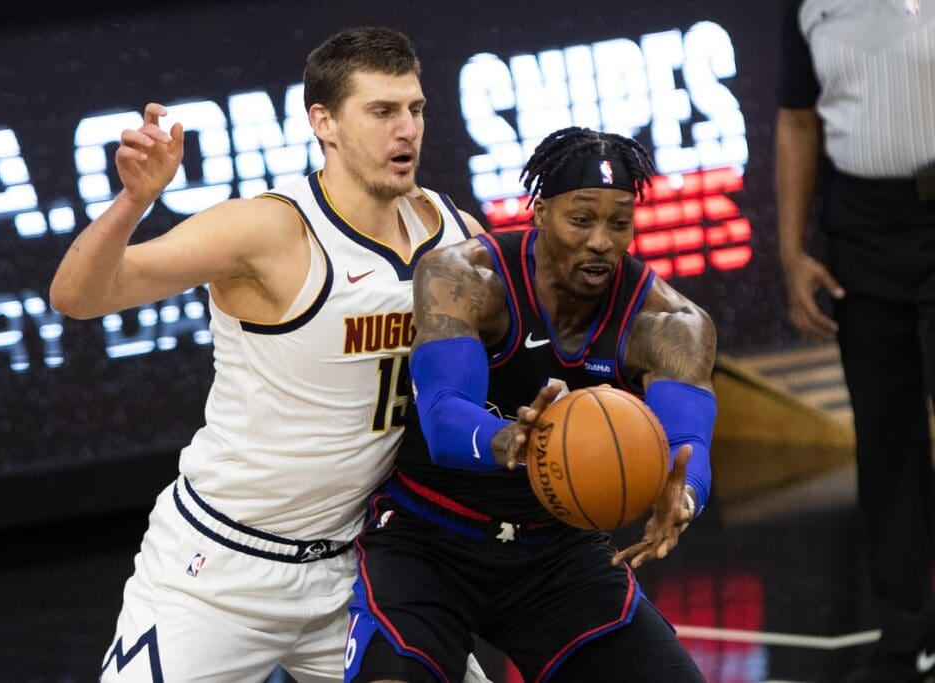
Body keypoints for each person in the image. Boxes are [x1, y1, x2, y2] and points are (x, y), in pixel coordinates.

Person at [50, 27, 490, 683]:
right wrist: (135, 201)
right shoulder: (268, 231)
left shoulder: (457, 237)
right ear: (324, 122)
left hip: (359, 569)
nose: (406, 130)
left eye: (415, 108)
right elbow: (78, 296)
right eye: (382, 111)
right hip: (222, 568)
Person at [344, 127, 717, 683]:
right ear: (540, 213)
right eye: (581, 219)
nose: (601, 241)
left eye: (619, 222)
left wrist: (682, 494)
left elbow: (688, 442)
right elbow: (443, 415)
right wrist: (509, 439)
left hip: (556, 552)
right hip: (428, 538)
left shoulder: (668, 323)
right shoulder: (464, 276)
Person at [776, 2, 935, 680]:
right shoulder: (806, 6)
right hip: (861, 232)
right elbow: (797, 120)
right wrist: (792, 253)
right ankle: (909, 640)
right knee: (886, 444)